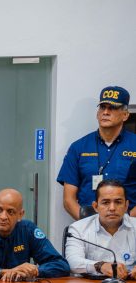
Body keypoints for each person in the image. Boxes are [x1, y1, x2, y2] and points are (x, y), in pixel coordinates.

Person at [57, 86, 136, 219]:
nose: (105, 112)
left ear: (125, 115)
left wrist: (129, 223)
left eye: (112, 108)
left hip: (129, 228)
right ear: (97, 113)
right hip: (87, 230)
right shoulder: (78, 147)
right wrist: (88, 227)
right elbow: (68, 199)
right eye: (102, 107)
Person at [65, 179, 136, 279]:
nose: (112, 208)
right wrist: (100, 266)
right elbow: (72, 262)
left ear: (126, 206)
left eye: (118, 202)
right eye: (106, 202)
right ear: (95, 206)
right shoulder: (78, 229)